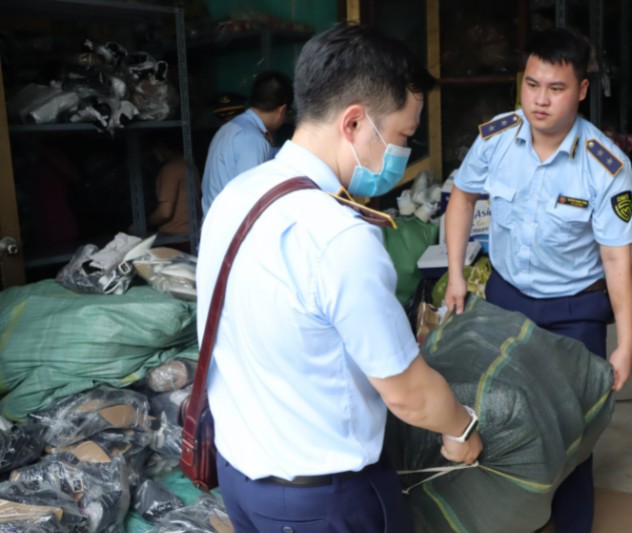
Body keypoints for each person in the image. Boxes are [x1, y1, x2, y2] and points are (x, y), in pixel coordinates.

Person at [196, 24, 483, 532]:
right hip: (320, 501)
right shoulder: (339, 235)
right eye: (402, 137)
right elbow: (407, 394)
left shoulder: (237, 196)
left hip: (240, 479)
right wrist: (462, 429)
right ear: (354, 123)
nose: (402, 152)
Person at [443, 27, 632, 533]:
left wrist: (628, 344)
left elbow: (617, 260)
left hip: (575, 312)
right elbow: (461, 197)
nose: (540, 100)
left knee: (572, 426)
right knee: (497, 411)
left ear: (583, 90)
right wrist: (457, 274)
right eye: (531, 85)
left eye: (556, 88)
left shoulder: (605, 165)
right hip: (506, 301)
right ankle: (510, 515)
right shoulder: (496, 138)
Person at [200, 70, 293, 214]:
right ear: (282, 110)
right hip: (233, 231)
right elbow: (252, 201)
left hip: (218, 226)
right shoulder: (253, 139)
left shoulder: (231, 128)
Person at [146, 137, 192, 236]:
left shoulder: (171, 169)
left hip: (174, 236)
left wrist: (143, 224)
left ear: (162, 147)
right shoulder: (189, 166)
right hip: (190, 232)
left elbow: (164, 212)